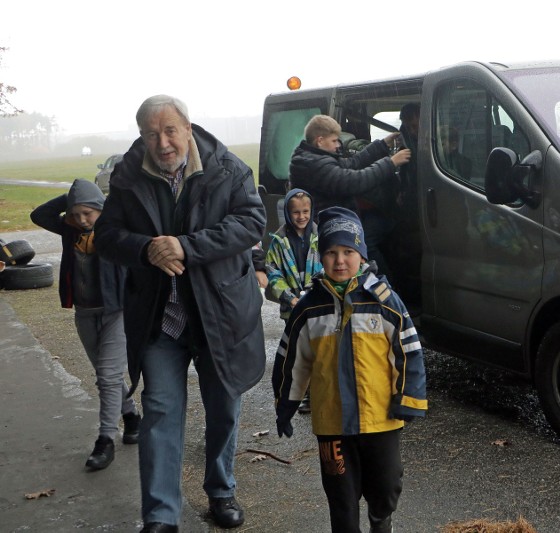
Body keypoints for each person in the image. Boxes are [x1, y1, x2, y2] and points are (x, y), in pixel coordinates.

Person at [94, 95, 266, 532]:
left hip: (219, 315)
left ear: (188, 128)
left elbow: (252, 222)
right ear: (142, 136)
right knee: (160, 413)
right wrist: (146, 249)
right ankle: (161, 515)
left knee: (224, 406)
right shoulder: (128, 176)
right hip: (161, 317)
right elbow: (107, 234)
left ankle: (221, 491)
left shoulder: (228, 168)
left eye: (170, 130)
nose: (163, 142)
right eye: (152, 134)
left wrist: (187, 246)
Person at [272, 207, 427, 533]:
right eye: (331, 252)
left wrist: (409, 397)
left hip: (380, 418)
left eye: (348, 252)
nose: (340, 261)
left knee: (386, 485)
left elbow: (408, 351)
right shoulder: (309, 308)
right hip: (332, 422)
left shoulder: (384, 301)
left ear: (361, 255)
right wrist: (286, 404)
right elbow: (292, 360)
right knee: (341, 498)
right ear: (321, 257)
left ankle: (380, 518)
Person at [30, 179, 141, 471]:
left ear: (101, 211)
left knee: (107, 374)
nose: (82, 220)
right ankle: (131, 416)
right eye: (76, 214)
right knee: (106, 374)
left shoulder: (114, 231)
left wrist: (95, 201)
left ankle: (106, 440)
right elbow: (39, 215)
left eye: (88, 213)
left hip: (116, 313)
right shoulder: (69, 231)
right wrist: (73, 197)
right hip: (84, 313)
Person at [289, 114, 410, 279]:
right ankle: (384, 289)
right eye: (334, 141)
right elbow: (355, 181)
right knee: (366, 245)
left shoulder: (316, 157)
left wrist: (382, 145)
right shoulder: (313, 164)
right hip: (328, 229)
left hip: (336, 222)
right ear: (320, 140)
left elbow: (351, 163)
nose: (338, 145)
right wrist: (391, 163)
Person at [264, 187, 322, 413]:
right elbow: (273, 272)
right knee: (299, 351)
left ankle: (320, 392)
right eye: (296, 212)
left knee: (321, 348)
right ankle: (304, 394)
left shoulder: (320, 236)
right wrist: (289, 298)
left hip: (318, 305)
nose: (301, 217)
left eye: (305, 211)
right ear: (288, 213)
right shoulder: (278, 241)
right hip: (293, 308)